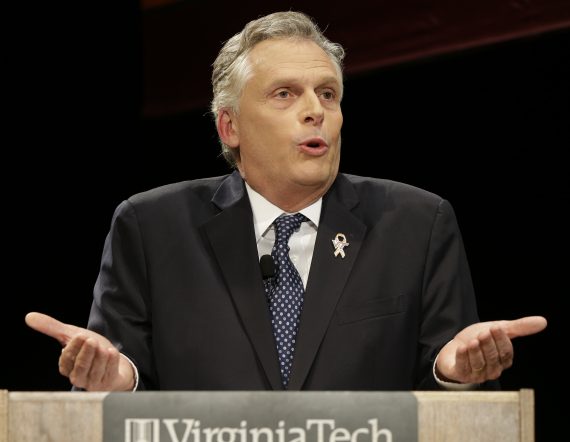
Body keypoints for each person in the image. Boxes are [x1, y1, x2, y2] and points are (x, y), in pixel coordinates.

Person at [26, 10, 546, 392]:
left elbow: (450, 385)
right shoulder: (150, 227)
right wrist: (117, 377)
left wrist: (453, 373)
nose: (314, 111)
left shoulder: (417, 222)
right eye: (285, 94)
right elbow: (118, 372)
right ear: (230, 126)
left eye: (328, 94)